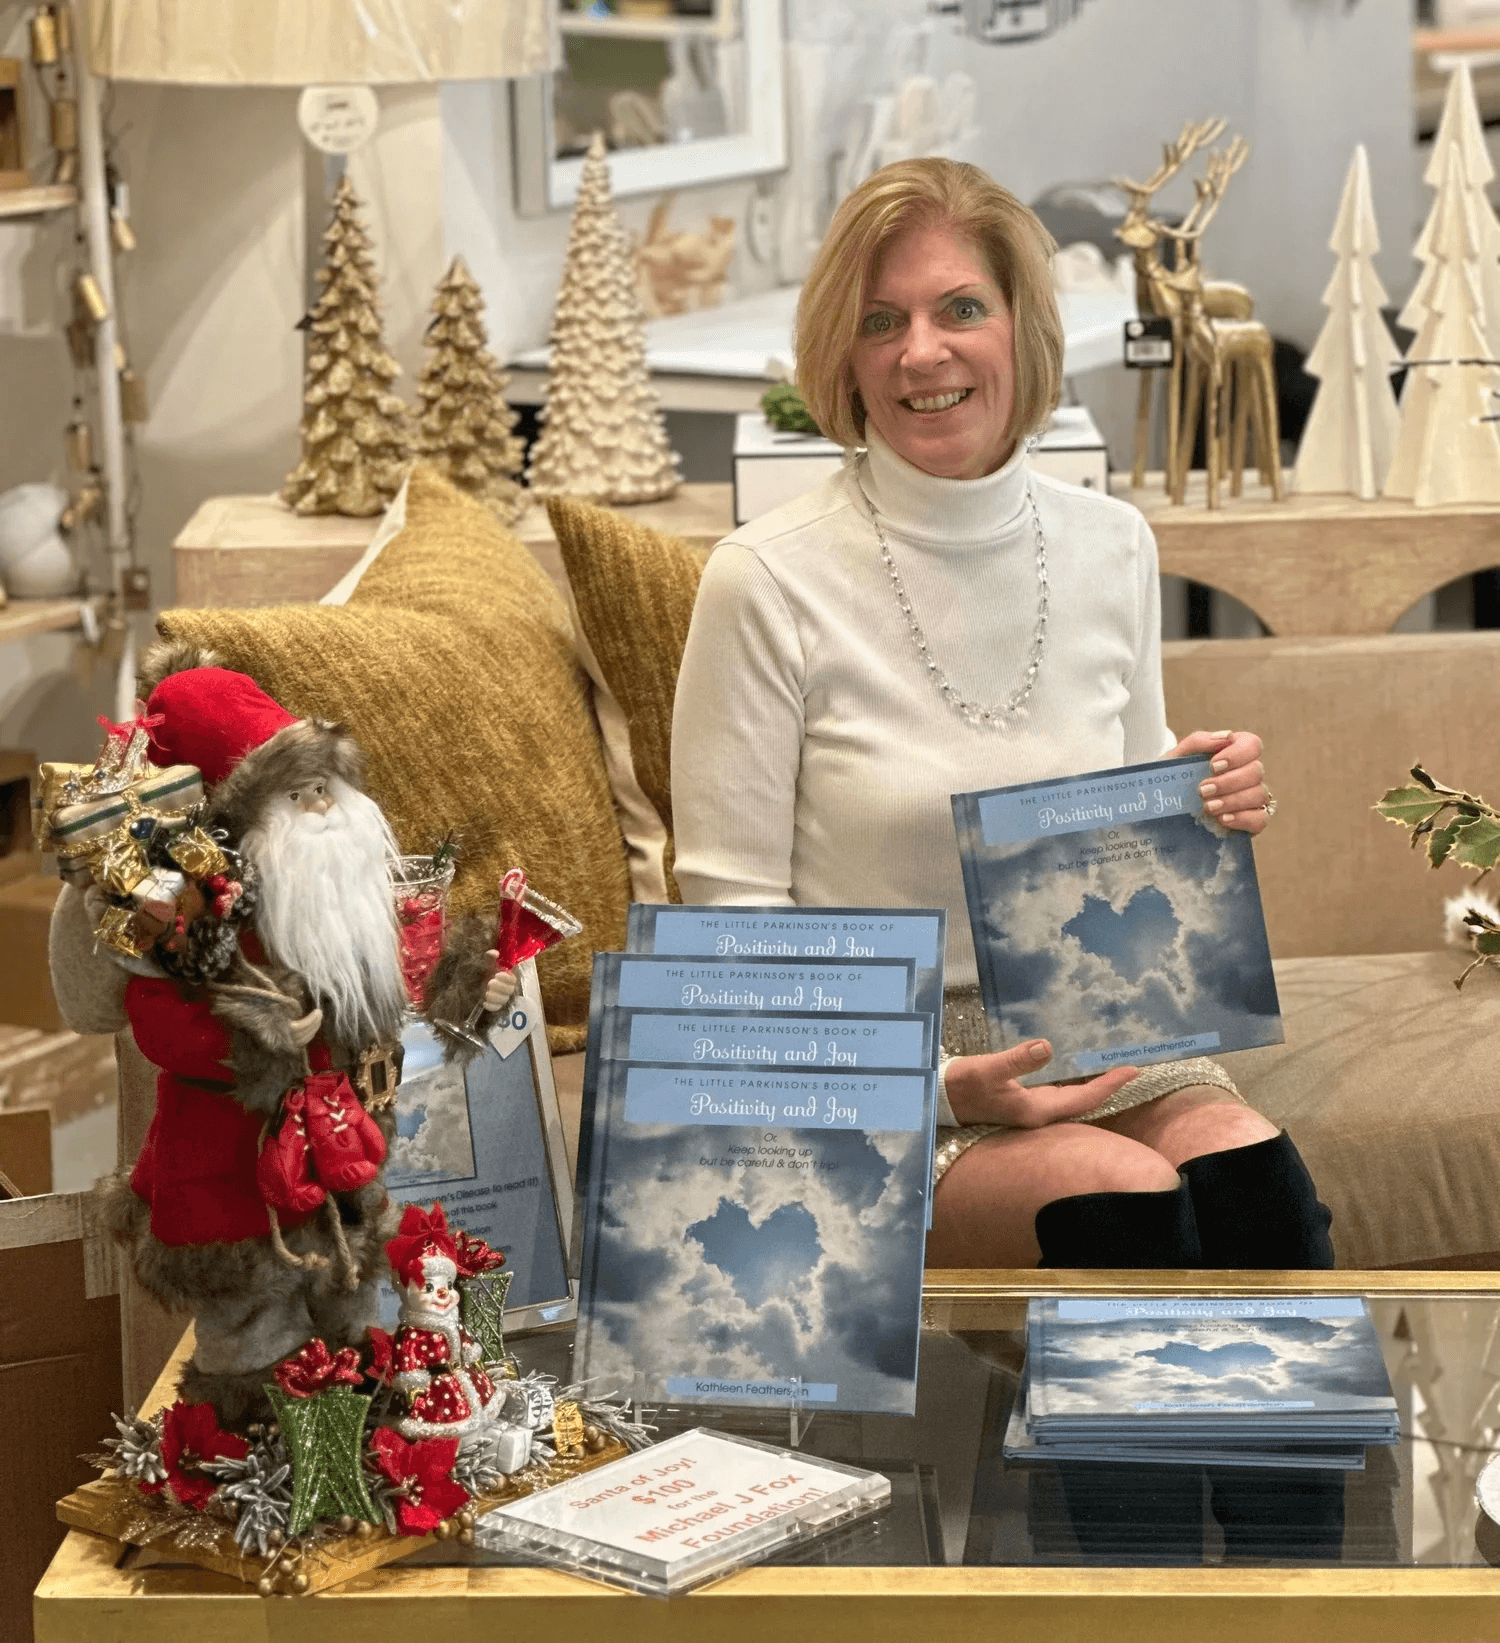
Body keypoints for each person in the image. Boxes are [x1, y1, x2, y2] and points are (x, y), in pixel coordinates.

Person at [670, 158, 1333, 1271]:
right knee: (1119, 1205)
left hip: (1099, 1036)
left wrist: (1202, 801)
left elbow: (1125, 843)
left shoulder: (1112, 542)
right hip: (873, 1074)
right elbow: (732, 948)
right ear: (844, 353)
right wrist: (939, 1084)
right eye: (882, 321)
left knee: (1254, 1188)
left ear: (1023, 328)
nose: (922, 351)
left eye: (961, 308)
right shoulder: (764, 579)